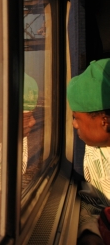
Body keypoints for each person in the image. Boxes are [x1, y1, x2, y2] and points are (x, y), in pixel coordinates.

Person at [67, 58, 110, 245]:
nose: (73, 124)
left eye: (76, 117)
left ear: (104, 121)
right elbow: (91, 201)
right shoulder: (94, 153)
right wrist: (90, 231)